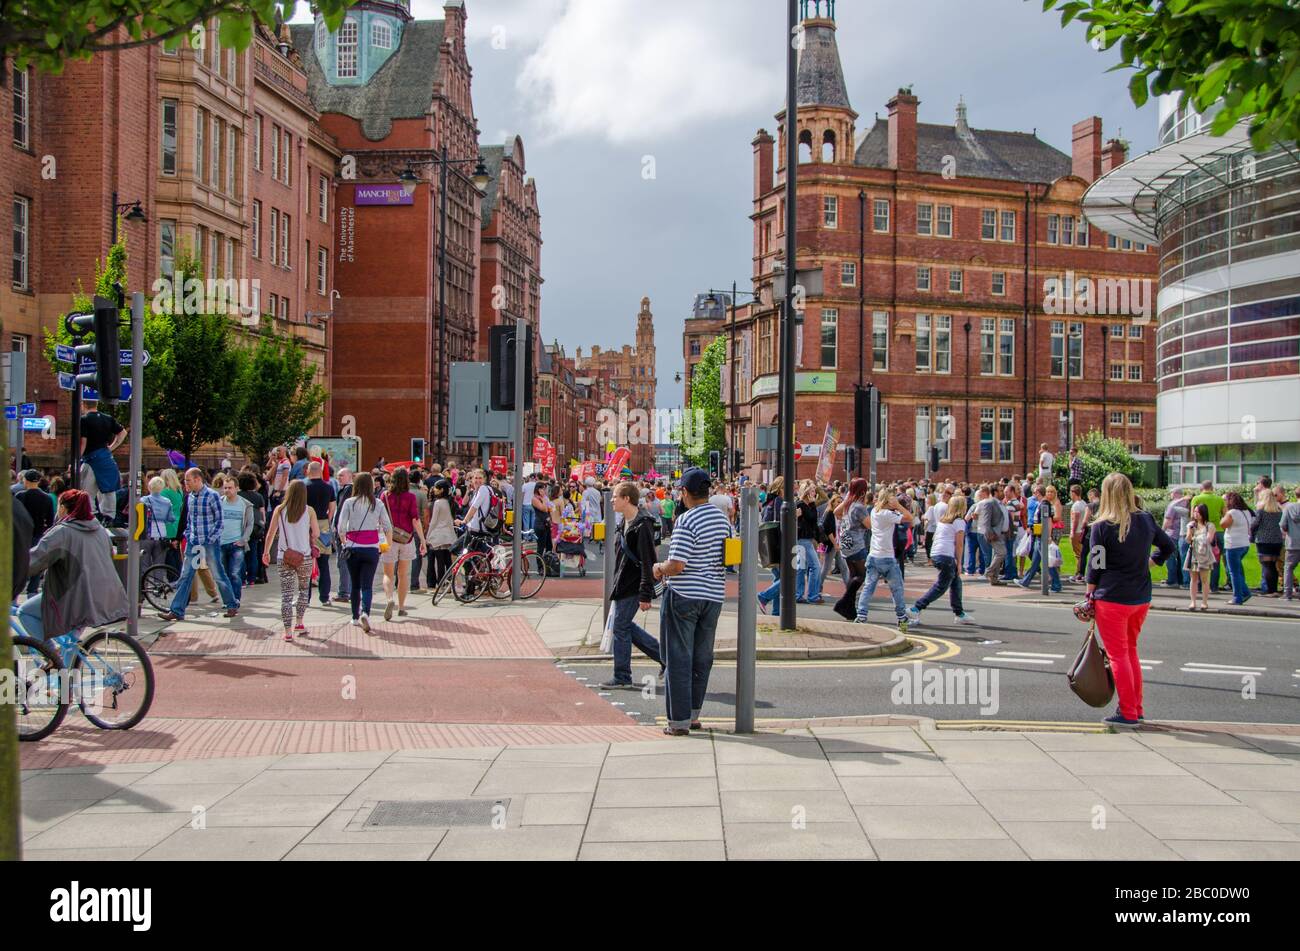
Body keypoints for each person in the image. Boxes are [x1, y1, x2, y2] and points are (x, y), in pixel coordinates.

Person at [1083, 472, 1176, 727]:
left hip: (1112, 597)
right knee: (1130, 652)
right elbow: (1168, 546)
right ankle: (1136, 707)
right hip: (1140, 597)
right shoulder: (1146, 520)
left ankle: (1128, 712)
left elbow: (1096, 564)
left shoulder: (1102, 526)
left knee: (1118, 656)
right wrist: (1151, 561)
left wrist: (1089, 594)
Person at [652, 468, 730, 736]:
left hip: (684, 595)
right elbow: (728, 558)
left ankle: (679, 721)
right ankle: (694, 715)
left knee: (678, 658)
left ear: (685, 492)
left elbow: (677, 565)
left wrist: (658, 568)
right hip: (713, 596)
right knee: (702, 658)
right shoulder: (723, 520)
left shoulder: (686, 520)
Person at [18, 490, 128, 652]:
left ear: (63, 507)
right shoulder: (99, 530)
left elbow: (34, 561)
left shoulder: (62, 532)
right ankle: (68, 669)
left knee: (25, 612)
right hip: (104, 595)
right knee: (71, 645)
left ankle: (50, 653)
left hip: (75, 597)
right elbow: (109, 555)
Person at [601, 482, 663, 689]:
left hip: (634, 585)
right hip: (624, 583)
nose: (611, 500)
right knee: (624, 625)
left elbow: (648, 560)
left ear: (627, 499)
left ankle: (622, 676)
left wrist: (645, 594)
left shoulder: (642, 524)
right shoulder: (625, 522)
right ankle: (665, 657)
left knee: (621, 626)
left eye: (615, 496)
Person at [157, 468, 241, 622]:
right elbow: (189, 520)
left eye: (188, 480)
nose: (185, 483)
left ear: (197, 479)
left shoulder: (212, 495)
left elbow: (219, 521)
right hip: (193, 541)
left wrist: (211, 538)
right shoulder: (190, 497)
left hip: (209, 542)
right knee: (186, 575)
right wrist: (188, 534)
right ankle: (177, 610)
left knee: (218, 574)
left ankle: (231, 603)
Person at [262, 480, 319, 641]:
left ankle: (287, 632)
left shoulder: (279, 510)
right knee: (303, 591)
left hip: (284, 556)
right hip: (305, 557)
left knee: (286, 595)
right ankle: (299, 622)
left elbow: (271, 533)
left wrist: (266, 552)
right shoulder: (309, 511)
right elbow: (316, 533)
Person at [907, 494, 975, 626]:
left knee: (956, 583)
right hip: (946, 556)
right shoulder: (959, 521)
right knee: (941, 586)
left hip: (937, 553)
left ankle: (959, 613)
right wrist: (959, 563)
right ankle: (916, 608)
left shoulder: (944, 520)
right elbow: (959, 544)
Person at [336, 472, 391, 632]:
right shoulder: (378, 503)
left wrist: (344, 541)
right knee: (367, 585)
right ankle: (365, 612)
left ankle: (354, 616)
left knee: (355, 585)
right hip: (372, 548)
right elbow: (387, 526)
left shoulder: (349, 502)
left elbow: (340, 527)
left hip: (353, 547)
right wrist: (385, 544)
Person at [855, 487, 913, 632]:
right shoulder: (887, 514)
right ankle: (902, 618)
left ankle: (861, 616)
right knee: (897, 589)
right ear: (888, 500)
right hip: (887, 558)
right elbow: (909, 518)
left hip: (873, 556)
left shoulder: (875, 511)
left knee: (868, 587)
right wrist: (898, 506)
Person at [381, 467, 426, 620]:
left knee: (387, 573)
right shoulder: (410, 497)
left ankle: (389, 599)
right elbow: (415, 520)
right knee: (403, 574)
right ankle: (401, 607)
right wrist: (423, 540)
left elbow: (380, 519)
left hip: (387, 539)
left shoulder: (385, 496)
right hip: (407, 538)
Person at [78, 399, 127, 518]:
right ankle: (109, 516)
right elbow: (123, 433)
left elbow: (83, 443)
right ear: (97, 404)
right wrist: (111, 447)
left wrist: (76, 459)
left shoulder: (84, 420)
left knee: (87, 491)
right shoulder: (108, 418)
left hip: (91, 459)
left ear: (83, 405)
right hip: (106, 458)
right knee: (109, 489)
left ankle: (90, 514)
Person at [833, 480, 870, 620]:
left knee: (853, 574)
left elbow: (836, 511)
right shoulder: (859, 507)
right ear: (863, 491)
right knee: (862, 575)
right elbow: (869, 525)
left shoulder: (848, 503)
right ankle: (844, 602)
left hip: (845, 542)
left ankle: (849, 607)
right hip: (856, 543)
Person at [14, 470, 55, 596]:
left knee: (19, 563)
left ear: (25, 480)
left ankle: (16, 592)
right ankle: (32, 590)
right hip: (38, 534)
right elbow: (50, 520)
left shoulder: (20, 496)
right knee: (37, 562)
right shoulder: (47, 498)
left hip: (22, 535)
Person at [303, 461, 337, 607]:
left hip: (307, 525)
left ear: (308, 471)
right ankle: (324, 597)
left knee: (306, 564)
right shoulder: (328, 487)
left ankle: (306, 598)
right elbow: (332, 506)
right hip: (323, 525)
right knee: (324, 563)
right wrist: (328, 520)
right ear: (320, 471)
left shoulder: (303, 486)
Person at [1219, 491, 1254, 605]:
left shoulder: (1232, 512)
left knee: (1233, 572)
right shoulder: (1246, 511)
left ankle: (1237, 597)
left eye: (1225, 501)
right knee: (1237, 571)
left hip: (1233, 545)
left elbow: (1223, 524)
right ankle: (1245, 592)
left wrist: (1225, 512)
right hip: (1244, 544)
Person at [1189, 480, 1226, 592]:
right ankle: (1213, 586)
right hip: (1218, 530)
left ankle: (1200, 586)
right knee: (1216, 559)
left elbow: (1192, 515)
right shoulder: (1219, 499)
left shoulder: (1197, 499)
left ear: (1202, 488)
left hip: (1201, 530)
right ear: (1212, 488)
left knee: (1199, 559)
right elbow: (1225, 514)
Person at [793, 480, 823, 604]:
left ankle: (799, 595)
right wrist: (813, 504)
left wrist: (819, 539)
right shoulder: (802, 504)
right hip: (803, 539)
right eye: (812, 490)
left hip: (805, 539)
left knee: (801, 568)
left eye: (814, 490)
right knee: (815, 566)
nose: (814, 493)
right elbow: (812, 517)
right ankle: (812, 595)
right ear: (806, 492)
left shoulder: (804, 504)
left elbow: (813, 523)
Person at [426, 479, 457, 589]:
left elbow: (433, 521)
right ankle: (449, 583)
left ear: (441, 490)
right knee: (448, 561)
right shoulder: (450, 502)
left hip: (438, 535)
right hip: (449, 535)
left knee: (439, 562)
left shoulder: (438, 503)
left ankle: (441, 583)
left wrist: (428, 536)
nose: (434, 489)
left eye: (436, 488)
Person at [1252, 487, 1284, 597]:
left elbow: (1254, 523)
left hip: (1263, 539)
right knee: (1273, 565)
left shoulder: (1261, 510)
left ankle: (1269, 591)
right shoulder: (1279, 510)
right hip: (1277, 540)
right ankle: (1274, 589)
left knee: (1266, 565)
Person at [1185, 503, 1215, 611]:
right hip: (1193, 554)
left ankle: (1204, 602)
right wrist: (1190, 532)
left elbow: (1209, 539)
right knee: (1193, 579)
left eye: (1198, 512)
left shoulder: (1209, 526)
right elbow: (1188, 540)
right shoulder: (1191, 525)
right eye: (1195, 511)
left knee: (1204, 579)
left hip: (1204, 555)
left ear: (1203, 513)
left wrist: (1195, 538)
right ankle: (1193, 602)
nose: (1195, 514)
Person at [1281, 486, 1300, 600]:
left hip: (1292, 542)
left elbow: (1283, 525)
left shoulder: (1289, 508)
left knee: (1288, 568)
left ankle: (1287, 594)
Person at [1069, 483, 1090, 584]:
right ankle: (1080, 573)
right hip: (1082, 531)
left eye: (1071, 492)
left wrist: (1072, 532)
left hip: (1077, 531)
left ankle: (1078, 573)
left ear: (1073, 493)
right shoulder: (1084, 503)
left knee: (1078, 554)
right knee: (1081, 553)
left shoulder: (1076, 505)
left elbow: (1075, 520)